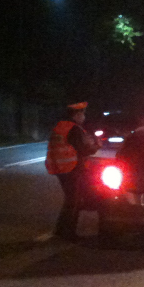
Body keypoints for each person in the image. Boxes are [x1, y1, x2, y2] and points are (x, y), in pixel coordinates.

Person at [45, 102, 99, 240]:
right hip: (72, 168)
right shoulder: (74, 128)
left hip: (60, 167)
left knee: (72, 199)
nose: (84, 117)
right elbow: (83, 150)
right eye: (83, 114)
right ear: (77, 114)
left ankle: (63, 230)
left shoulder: (60, 126)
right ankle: (66, 232)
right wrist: (96, 147)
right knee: (72, 201)